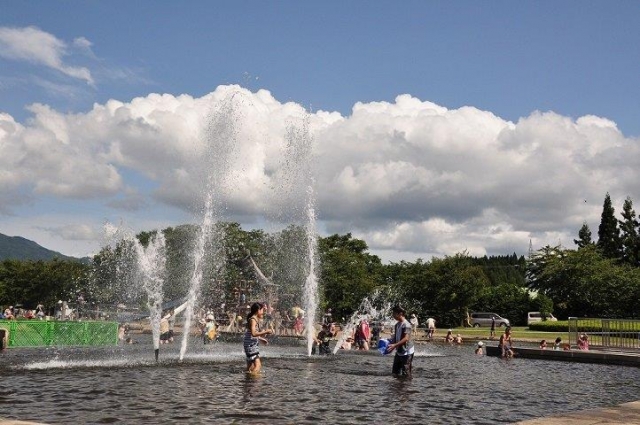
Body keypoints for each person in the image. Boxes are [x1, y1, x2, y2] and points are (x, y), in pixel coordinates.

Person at [243, 302, 273, 375]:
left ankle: (248, 381)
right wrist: (266, 331)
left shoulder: (254, 318)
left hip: (249, 343)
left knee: (251, 366)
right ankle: (255, 380)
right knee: (258, 365)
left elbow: (251, 334)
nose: (263, 312)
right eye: (262, 310)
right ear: (258, 310)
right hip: (250, 345)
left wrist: (261, 339)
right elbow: (253, 333)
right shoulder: (253, 319)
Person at [386, 305, 414, 377]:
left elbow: (406, 338)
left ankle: (406, 386)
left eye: (394, 313)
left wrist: (395, 345)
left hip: (407, 351)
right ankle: (396, 386)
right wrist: (390, 342)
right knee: (395, 372)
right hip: (399, 350)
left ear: (400, 314)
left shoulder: (407, 325)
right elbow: (396, 337)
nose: (393, 315)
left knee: (406, 373)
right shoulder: (397, 325)